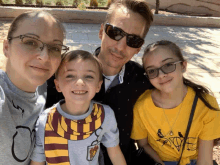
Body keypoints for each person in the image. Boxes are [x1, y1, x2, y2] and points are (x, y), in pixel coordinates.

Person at [46, 0, 154, 164]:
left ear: (139, 48)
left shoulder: (141, 80)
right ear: (101, 31)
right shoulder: (66, 73)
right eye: (115, 32)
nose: (120, 46)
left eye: (133, 40)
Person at [131, 40, 220, 165]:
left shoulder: (206, 104)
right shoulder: (142, 106)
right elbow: (143, 145)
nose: (161, 75)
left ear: (183, 66)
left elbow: (205, 160)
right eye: (152, 71)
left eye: (168, 65)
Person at [30, 50, 126, 165]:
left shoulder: (105, 115)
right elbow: (38, 159)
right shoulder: (45, 121)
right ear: (58, 85)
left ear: (98, 86)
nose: (80, 82)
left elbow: (115, 152)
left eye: (89, 76)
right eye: (70, 76)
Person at [0, 11, 69, 165]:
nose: (44, 56)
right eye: (30, 42)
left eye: (54, 48)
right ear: (6, 48)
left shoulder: (47, 91)